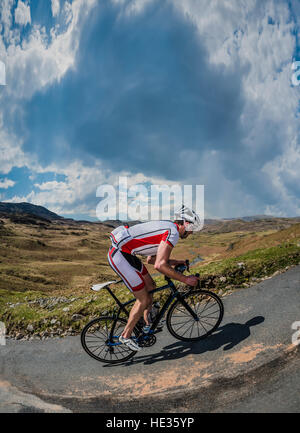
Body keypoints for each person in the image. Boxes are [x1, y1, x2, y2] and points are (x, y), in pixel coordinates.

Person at [107, 205, 202, 351]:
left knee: (151, 286)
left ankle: (146, 324)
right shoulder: (173, 233)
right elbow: (159, 265)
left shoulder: (169, 228)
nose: (191, 233)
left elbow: (151, 259)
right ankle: (125, 336)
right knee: (143, 299)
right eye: (192, 229)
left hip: (128, 254)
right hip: (120, 256)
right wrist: (185, 279)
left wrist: (176, 262)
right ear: (186, 224)